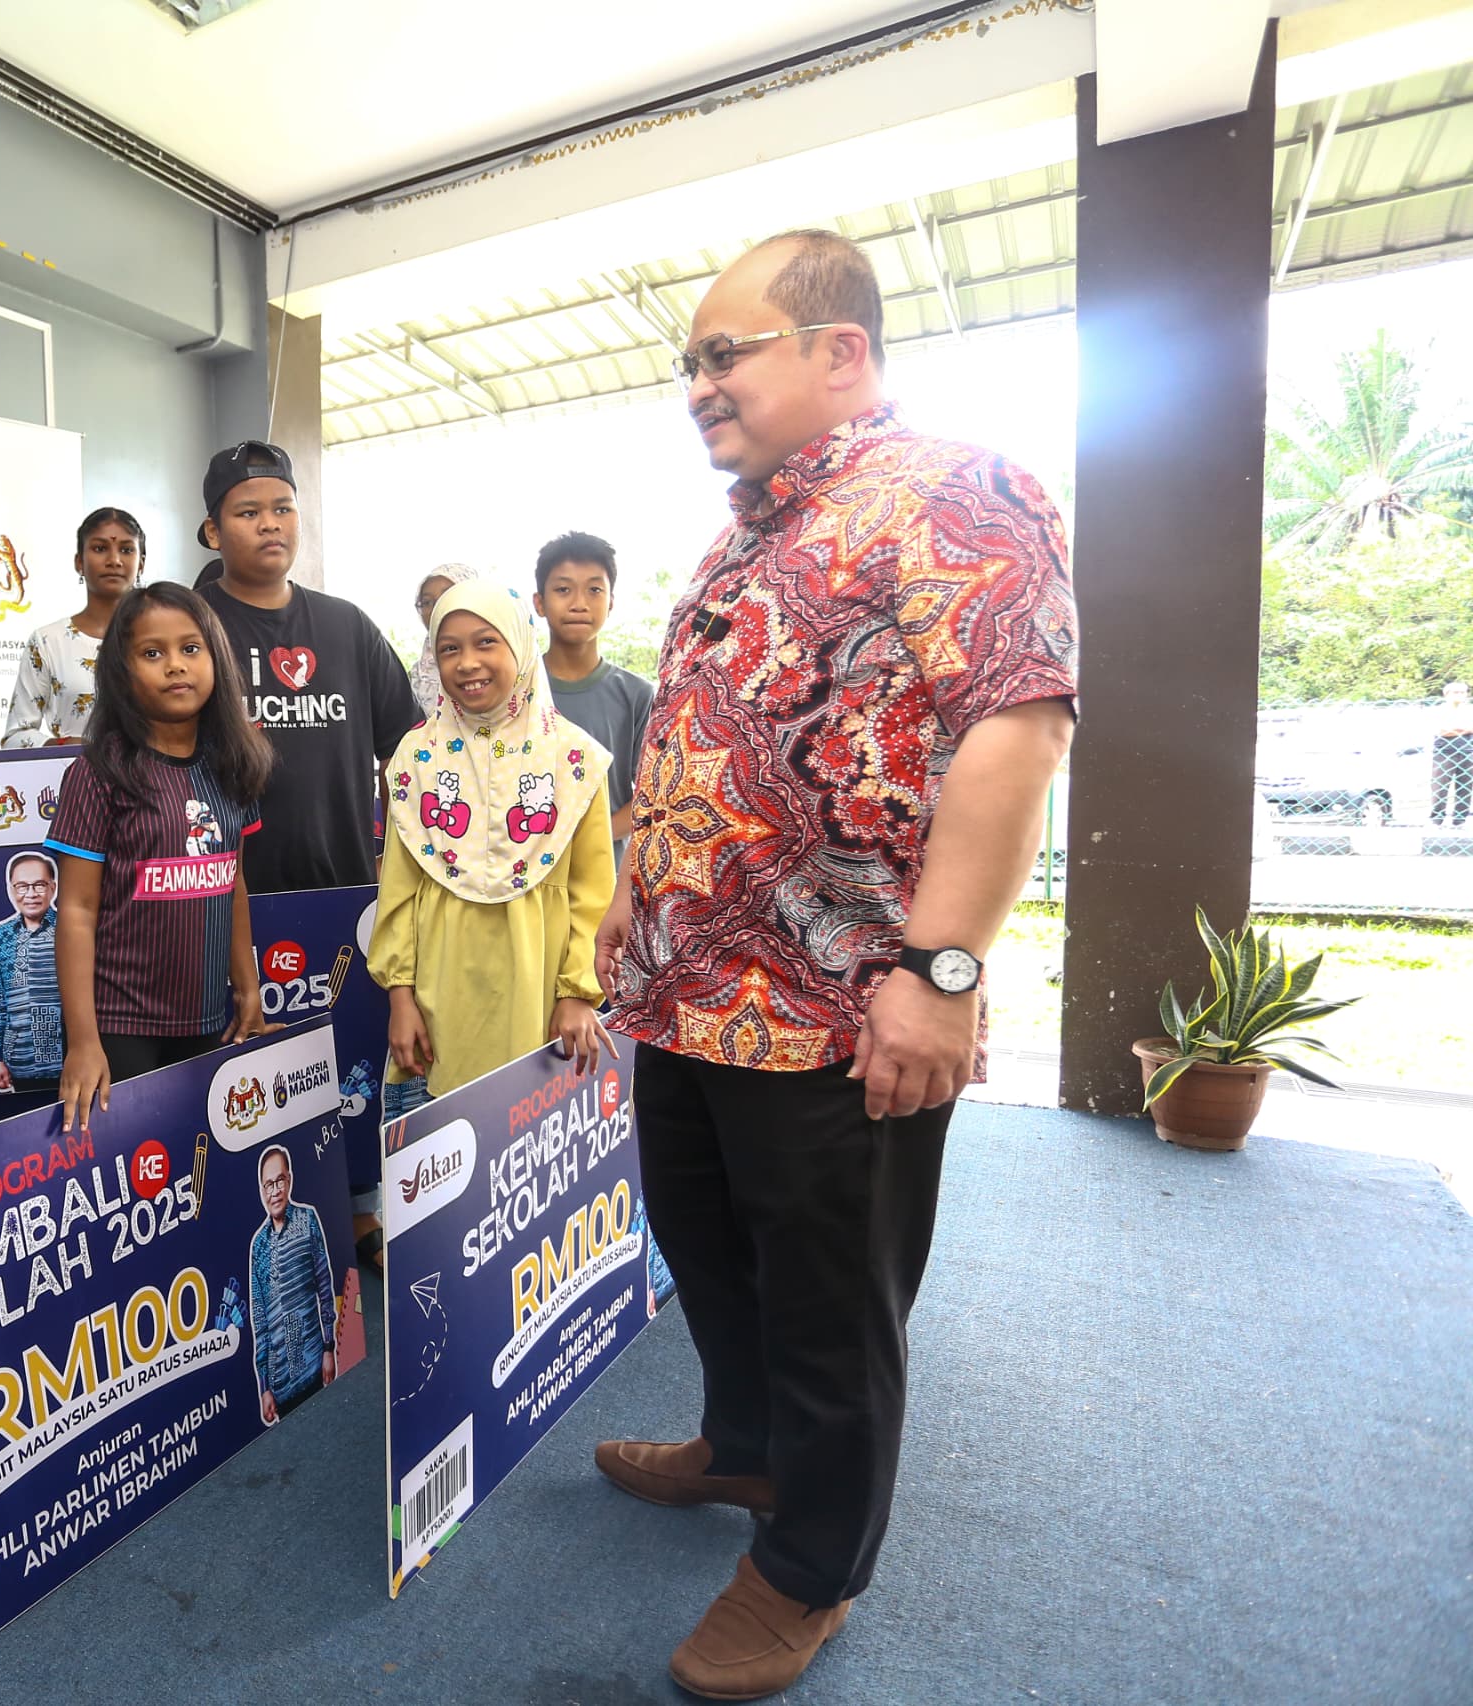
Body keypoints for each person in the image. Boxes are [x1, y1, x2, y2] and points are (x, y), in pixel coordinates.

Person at [591, 231, 1076, 1701]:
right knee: (707, 1254)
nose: (698, 384)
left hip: (838, 1009)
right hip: (688, 993)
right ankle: (744, 1450)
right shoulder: (741, 534)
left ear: (840, 350)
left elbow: (1015, 732)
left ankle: (811, 1566)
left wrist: (941, 971)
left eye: (723, 352)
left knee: (828, 1307)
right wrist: (633, 889)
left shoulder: (956, 491)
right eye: (688, 362)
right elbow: (692, 737)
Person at [373, 580, 615, 1123]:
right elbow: (399, 889)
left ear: (520, 645)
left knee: (528, 1140)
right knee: (444, 1144)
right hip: (440, 997)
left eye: (486, 642)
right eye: (449, 648)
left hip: (539, 995)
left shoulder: (574, 758)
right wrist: (400, 996)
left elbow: (593, 892)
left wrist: (578, 993)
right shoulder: (416, 756)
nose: (467, 663)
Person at [47, 583, 275, 1134]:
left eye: (190, 648)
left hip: (210, 1019)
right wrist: (83, 1042)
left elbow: (232, 883)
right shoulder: (98, 772)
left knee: (202, 1164)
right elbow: (75, 911)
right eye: (153, 653)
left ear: (216, 658)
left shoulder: (232, 764)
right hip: (119, 1027)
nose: (176, 665)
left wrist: (248, 988)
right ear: (121, 672)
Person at [194, 441, 419, 892]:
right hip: (224, 898)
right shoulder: (189, 628)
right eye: (249, 513)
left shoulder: (348, 625)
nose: (270, 524)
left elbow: (407, 749)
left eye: (283, 508)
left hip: (345, 891)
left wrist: (400, 857)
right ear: (214, 532)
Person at [533, 533, 653, 864]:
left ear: (611, 601)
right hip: (522, 874)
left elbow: (651, 795)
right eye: (563, 589)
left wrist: (586, 838)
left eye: (594, 590)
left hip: (604, 874)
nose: (579, 603)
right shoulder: (516, 690)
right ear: (539, 603)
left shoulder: (637, 695)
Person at [3, 508, 146, 747]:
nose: (114, 560)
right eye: (100, 549)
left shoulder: (163, 637)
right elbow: (15, 737)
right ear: (79, 562)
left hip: (156, 768)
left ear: (141, 564)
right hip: (74, 769)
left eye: (126, 550)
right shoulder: (48, 641)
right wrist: (66, 746)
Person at [247, 1143, 336, 1425]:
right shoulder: (258, 1247)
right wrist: (264, 1387)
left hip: (313, 1364)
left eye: (280, 1181)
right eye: (268, 1184)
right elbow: (260, 1322)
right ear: (261, 1190)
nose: (275, 1191)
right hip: (280, 1384)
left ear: (290, 1179)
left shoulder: (307, 1220)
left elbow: (325, 1290)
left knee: (328, 1427)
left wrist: (329, 1348)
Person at [0, 852, 64, 1093]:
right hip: (20, 1063)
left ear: (52, 887)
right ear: (11, 890)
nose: (31, 893)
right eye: (22, 886)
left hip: (70, 1061)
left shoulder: (69, 929)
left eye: (39, 885)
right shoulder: (0, 937)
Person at [406, 563, 481, 712]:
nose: (437, 607)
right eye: (426, 602)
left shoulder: (501, 657)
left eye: (447, 596)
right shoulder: (413, 679)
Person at [1434, 681, 1471, 826]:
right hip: (1444, 752)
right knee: (1440, 787)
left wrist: (1456, 729)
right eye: (1456, 692)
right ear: (1447, 694)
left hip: (1468, 750)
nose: (1460, 695)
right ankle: (1436, 820)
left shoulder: (1469, 710)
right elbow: (1442, 731)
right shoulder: (1439, 710)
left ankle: (1459, 821)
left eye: (1463, 692)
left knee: (1465, 787)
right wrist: (1465, 729)